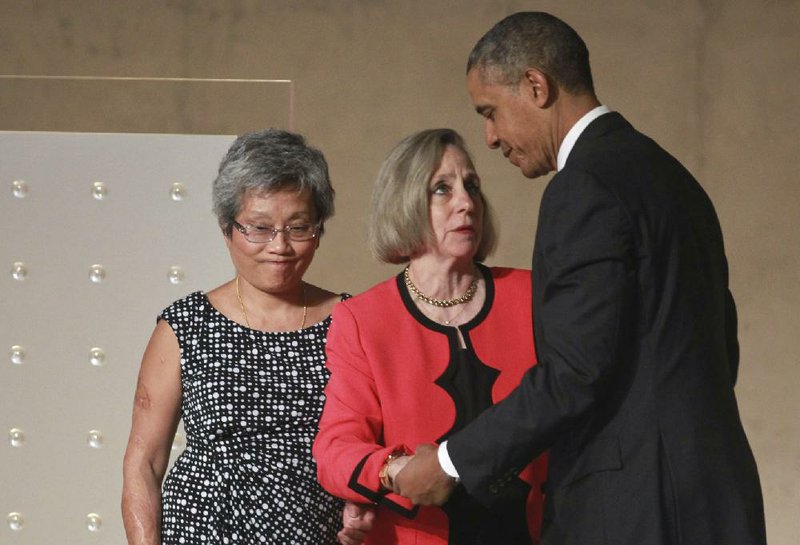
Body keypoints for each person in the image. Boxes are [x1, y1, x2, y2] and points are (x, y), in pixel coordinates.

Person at [394, 12, 767, 545]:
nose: (492, 136)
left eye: (491, 111)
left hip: (637, 511)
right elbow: (718, 344)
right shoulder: (675, 179)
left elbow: (573, 374)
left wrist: (451, 462)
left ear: (536, 86)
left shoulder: (583, 188)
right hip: (719, 499)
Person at [313, 128, 547, 545]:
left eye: (471, 186)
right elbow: (335, 449)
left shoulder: (532, 295)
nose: (466, 203)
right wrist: (393, 470)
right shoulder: (363, 319)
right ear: (403, 204)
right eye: (442, 189)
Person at [121, 129, 355, 544]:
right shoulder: (185, 325)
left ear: (319, 230)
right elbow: (145, 462)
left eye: (298, 227)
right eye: (259, 228)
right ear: (227, 228)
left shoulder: (352, 320)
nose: (279, 246)